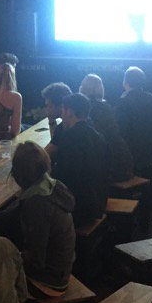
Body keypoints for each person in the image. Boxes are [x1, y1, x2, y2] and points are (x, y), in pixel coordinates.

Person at [0, 142, 75, 296]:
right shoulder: (52, 186)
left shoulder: (37, 204)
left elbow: (35, 260)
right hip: (62, 268)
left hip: (50, 281)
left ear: (19, 174)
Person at [49, 93, 107, 231]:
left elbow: (63, 179)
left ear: (69, 112)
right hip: (98, 203)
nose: (61, 115)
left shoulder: (69, 137)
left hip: (79, 210)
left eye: (63, 110)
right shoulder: (97, 135)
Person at [80, 73, 134, 183]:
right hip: (124, 161)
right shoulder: (106, 107)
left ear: (83, 88)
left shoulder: (85, 109)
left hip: (109, 169)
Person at [115, 67, 152, 177]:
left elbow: (121, 130)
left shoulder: (123, 101)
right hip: (149, 151)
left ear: (125, 82)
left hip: (131, 154)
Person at [40, 81, 72, 146]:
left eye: (49, 106)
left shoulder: (68, 127)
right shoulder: (68, 121)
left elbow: (52, 151)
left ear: (60, 106)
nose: (47, 109)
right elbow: (55, 142)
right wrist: (51, 121)